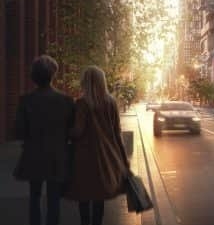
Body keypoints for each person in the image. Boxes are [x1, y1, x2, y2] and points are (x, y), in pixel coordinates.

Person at [13, 55, 75, 225]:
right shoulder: (66, 101)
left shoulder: (25, 101)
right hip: (56, 156)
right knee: (54, 199)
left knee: (34, 196)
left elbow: (18, 132)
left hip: (33, 155)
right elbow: (72, 130)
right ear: (53, 75)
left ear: (34, 76)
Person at [65, 67, 130, 225]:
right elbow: (117, 132)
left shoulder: (82, 103)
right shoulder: (111, 102)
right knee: (99, 196)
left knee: (84, 196)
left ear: (85, 82)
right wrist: (123, 158)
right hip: (106, 156)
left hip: (84, 158)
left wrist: (64, 131)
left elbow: (77, 131)